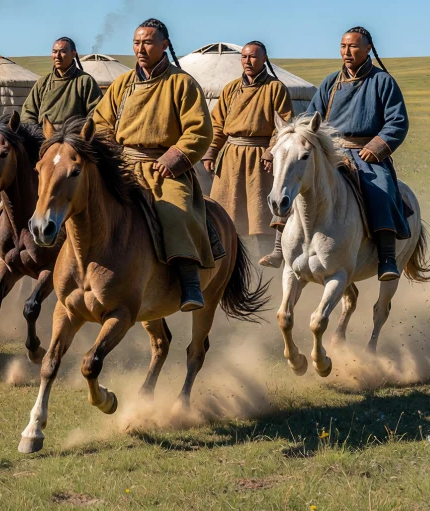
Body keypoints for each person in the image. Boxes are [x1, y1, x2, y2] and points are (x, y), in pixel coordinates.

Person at [92, 19, 213, 312]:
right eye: (136, 42)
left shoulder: (181, 83)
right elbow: (100, 123)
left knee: (177, 211)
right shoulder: (121, 84)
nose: (140, 48)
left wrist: (174, 158)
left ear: (164, 45)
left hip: (164, 169)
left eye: (147, 42)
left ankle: (189, 281)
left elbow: (199, 130)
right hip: (123, 165)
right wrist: (110, 156)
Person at [311, 26, 411, 281]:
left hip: (366, 153)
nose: (347, 51)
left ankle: (387, 258)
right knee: (298, 183)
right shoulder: (330, 82)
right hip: (332, 152)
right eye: (343, 46)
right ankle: (282, 245)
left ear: (368, 49)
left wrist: (376, 147)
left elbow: (397, 121)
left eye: (353, 46)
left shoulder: (382, 81)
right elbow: (310, 117)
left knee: (382, 188)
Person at [202, 41, 295, 265]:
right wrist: (211, 151)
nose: (247, 61)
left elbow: (284, 125)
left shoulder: (275, 88)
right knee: (225, 212)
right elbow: (217, 125)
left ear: (264, 59)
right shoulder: (231, 89)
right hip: (232, 158)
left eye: (253, 57)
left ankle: (268, 263)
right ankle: (227, 264)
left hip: (260, 160)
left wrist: (271, 151)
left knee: (260, 216)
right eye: (244, 57)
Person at [21, 36, 103, 126]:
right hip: (44, 136)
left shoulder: (84, 81)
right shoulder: (43, 83)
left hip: (73, 137)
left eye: (63, 51)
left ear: (73, 54)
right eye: (54, 52)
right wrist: (35, 133)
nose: (57, 56)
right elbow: (28, 113)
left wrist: (82, 134)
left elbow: (96, 113)